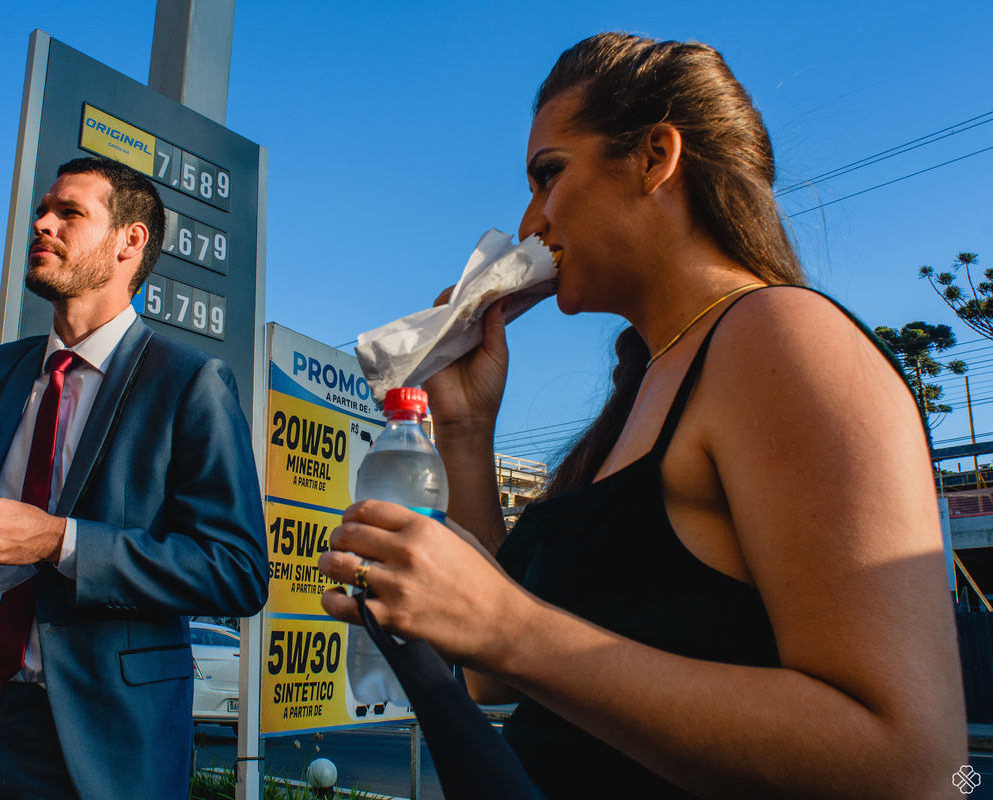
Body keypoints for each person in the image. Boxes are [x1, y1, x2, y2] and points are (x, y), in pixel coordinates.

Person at [320, 32, 966, 799]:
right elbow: (496, 676)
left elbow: (919, 767)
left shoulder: (779, 338)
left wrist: (513, 630)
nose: (531, 224)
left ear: (655, 157)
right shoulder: (649, 382)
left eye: (548, 176)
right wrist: (464, 432)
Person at [0, 157, 268, 800]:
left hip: (104, 746)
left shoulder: (188, 381)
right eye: (44, 210)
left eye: (69, 213)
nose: (42, 224)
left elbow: (235, 570)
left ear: (130, 240)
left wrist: (58, 542)